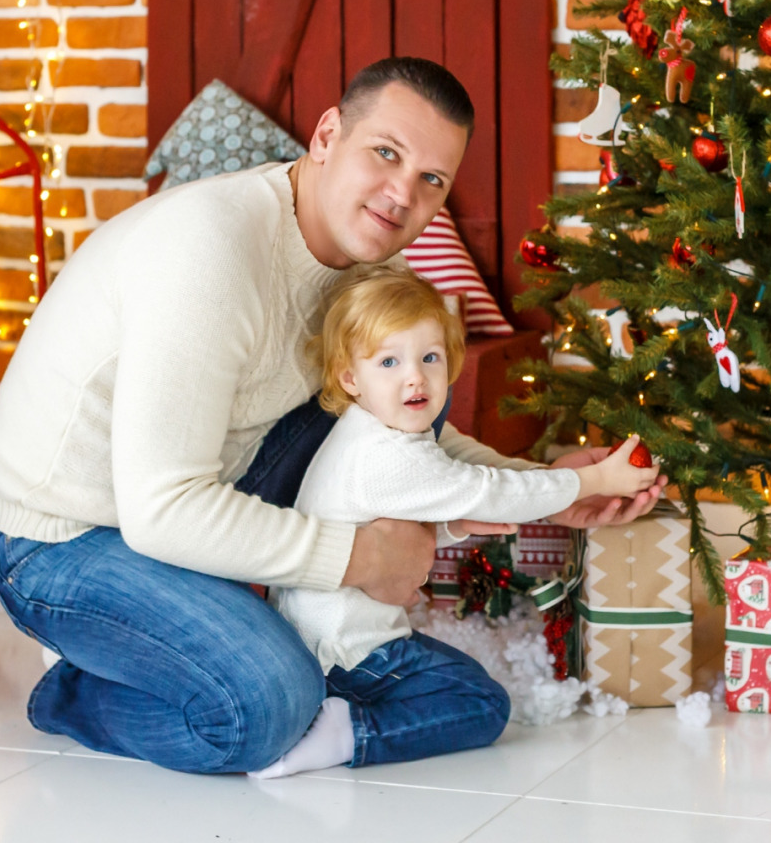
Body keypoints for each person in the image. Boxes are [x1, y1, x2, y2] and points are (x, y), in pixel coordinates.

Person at [0, 57, 664, 774]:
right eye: (386, 154)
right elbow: (162, 512)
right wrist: (365, 558)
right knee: (269, 705)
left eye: (432, 179)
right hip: (65, 536)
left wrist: (551, 489)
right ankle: (76, 686)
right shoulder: (208, 255)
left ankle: (240, 624)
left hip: (215, 477)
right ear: (328, 135)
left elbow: (402, 441)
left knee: (406, 374)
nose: (402, 195)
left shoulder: (370, 270)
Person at [254, 268, 659, 778]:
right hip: (347, 652)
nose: (414, 377)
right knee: (482, 703)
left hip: (326, 636)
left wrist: (460, 526)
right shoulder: (390, 455)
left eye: (430, 357)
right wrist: (597, 478)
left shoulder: (368, 430)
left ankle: (346, 715)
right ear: (349, 378)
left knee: (459, 678)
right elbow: (489, 490)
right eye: (389, 361)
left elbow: (419, 516)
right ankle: (349, 731)